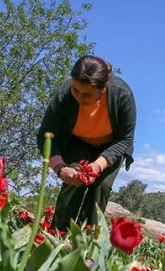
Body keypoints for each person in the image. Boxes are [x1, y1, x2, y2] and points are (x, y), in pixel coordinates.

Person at [37, 55, 137, 231]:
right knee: (73, 179)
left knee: (101, 187)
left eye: (87, 94)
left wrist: (98, 165)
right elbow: (45, 134)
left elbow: (125, 139)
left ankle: (88, 240)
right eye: (76, 90)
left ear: (103, 88)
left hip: (111, 147)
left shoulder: (122, 94)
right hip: (78, 143)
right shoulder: (65, 95)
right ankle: (57, 235)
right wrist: (59, 167)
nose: (79, 97)